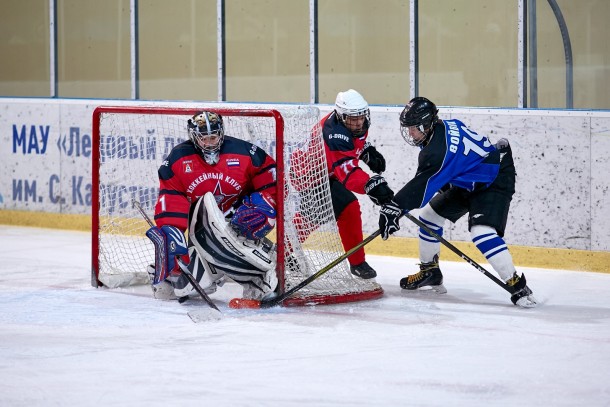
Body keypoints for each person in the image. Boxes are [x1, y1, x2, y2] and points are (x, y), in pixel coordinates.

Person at [377, 97, 537, 307]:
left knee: (482, 233)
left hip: (494, 177)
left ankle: (517, 285)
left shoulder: (436, 151)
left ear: (426, 124)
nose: (410, 133)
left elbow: (422, 185)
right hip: (470, 179)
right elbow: (449, 167)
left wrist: (395, 207)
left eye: (413, 128)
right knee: (429, 217)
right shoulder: (440, 129)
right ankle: (430, 271)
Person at [146, 111, 279, 302]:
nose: (210, 143)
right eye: (204, 138)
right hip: (200, 228)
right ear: (194, 137)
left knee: (245, 246)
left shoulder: (243, 152)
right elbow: (172, 196)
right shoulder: (178, 159)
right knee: (191, 287)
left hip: (237, 221)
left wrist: (265, 205)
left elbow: (270, 177)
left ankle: (256, 279)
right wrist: (172, 231)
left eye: (214, 137)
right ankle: (168, 276)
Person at [292, 89, 394, 279]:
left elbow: (354, 143)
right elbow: (347, 174)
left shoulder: (353, 123)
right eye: (352, 118)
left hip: (327, 171)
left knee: (319, 215)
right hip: (309, 175)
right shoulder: (334, 134)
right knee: (345, 208)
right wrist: (370, 184)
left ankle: (283, 249)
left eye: (361, 117)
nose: (358, 122)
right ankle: (357, 262)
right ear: (341, 116)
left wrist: (366, 151)